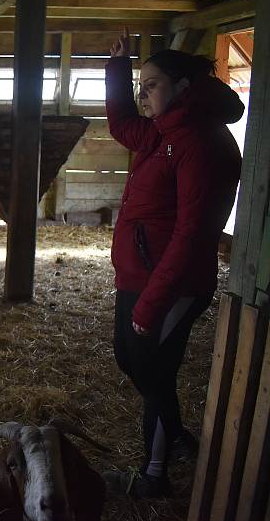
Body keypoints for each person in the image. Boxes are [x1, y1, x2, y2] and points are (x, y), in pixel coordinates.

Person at [103, 29, 244, 498]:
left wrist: (152, 304)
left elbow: (192, 234)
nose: (143, 94)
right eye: (141, 85)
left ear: (184, 87)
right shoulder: (165, 129)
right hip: (140, 272)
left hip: (173, 283)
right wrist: (120, 70)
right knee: (131, 359)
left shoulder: (198, 142)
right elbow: (123, 125)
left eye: (153, 84)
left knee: (155, 372)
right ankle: (178, 435)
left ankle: (155, 473)